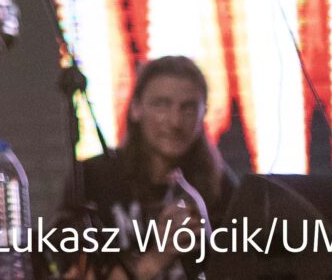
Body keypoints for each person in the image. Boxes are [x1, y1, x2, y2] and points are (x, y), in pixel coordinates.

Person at [58, 56, 235, 280]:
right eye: (161, 105)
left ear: (204, 113)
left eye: (188, 108)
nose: (175, 121)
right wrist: (157, 257)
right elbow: (70, 272)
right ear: (136, 108)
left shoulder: (220, 186)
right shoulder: (95, 178)